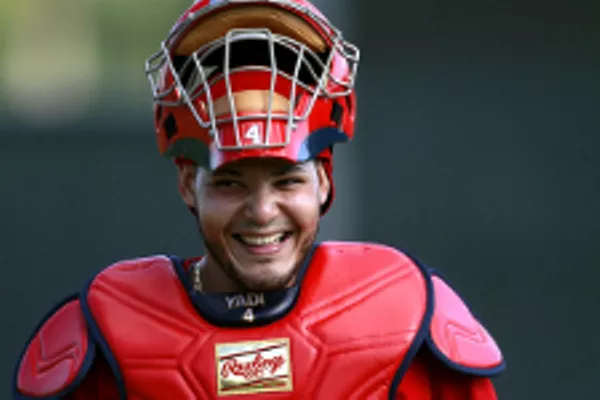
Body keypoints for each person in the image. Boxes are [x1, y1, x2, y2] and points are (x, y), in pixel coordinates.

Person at [12, 0, 505, 398]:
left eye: (287, 180)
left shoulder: (409, 317)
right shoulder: (102, 336)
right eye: (230, 182)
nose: (263, 211)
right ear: (188, 184)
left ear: (325, 180)